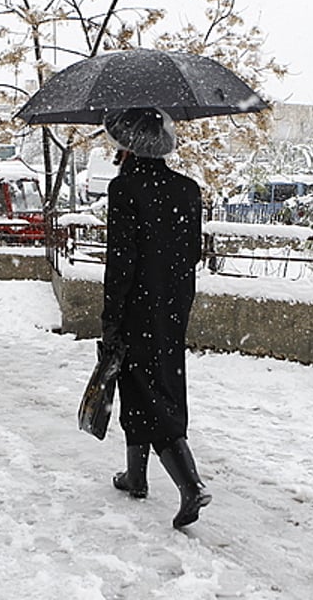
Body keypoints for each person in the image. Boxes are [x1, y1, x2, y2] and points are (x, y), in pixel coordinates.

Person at [99, 107, 211, 529]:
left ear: (129, 143)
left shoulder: (125, 189)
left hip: (136, 305)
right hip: (172, 304)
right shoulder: (187, 189)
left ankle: (190, 485)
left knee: (144, 391)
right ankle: (136, 476)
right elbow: (191, 253)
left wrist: (112, 317)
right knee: (160, 384)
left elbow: (120, 262)